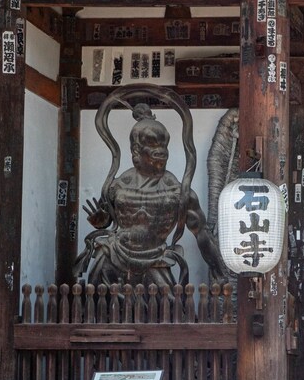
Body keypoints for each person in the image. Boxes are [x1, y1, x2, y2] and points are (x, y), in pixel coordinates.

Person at [74, 104, 226, 287]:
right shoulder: (119, 185)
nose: (160, 152)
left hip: (156, 258)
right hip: (114, 253)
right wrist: (101, 221)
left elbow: (202, 233)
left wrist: (219, 271)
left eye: (163, 146)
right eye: (152, 145)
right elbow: (106, 218)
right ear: (136, 150)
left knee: (168, 307)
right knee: (98, 303)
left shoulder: (177, 191)